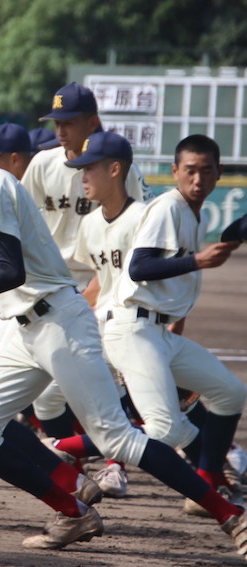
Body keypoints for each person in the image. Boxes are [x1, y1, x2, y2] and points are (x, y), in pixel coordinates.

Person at [0, 102, 247, 558]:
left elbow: (11, 270)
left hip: (60, 324)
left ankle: (232, 517)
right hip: (26, 330)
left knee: (118, 438)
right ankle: (74, 513)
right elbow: (7, 276)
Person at [101, 134, 245, 514]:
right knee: (166, 430)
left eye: (207, 171)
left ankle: (209, 479)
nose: (198, 180)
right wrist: (196, 261)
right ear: (175, 171)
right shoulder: (169, 206)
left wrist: (235, 234)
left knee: (230, 392)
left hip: (157, 333)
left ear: (219, 174)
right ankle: (68, 446)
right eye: (191, 171)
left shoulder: (191, 211)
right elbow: (140, 267)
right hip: (132, 330)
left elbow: (223, 242)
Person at [18, 82, 151, 449]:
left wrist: (96, 291)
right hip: (50, 287)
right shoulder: (43, 164)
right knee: (51, 395)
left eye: (69, 122)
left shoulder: (115, 169)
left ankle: (206, 450)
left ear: (92, 122)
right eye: (55, 122)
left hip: (103, 287)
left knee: (111, 381)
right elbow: (22, 224)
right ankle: (78, 457)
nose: (60, 131)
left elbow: (134, 233)